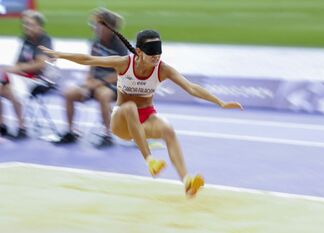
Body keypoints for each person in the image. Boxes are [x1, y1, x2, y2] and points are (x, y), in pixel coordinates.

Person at [40, 23, 243, 197]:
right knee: (129, 107)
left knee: (168, 130)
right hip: (121, 121)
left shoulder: (162, 69)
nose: (156, 57)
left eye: (159, 53)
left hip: (145, 119)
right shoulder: (123, 64)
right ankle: (150, 161)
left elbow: (191, 87)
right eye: (152, 53)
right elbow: (88, 59)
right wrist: (60, 54)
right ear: (138, 52)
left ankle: (187, 182)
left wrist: (220, 102)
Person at [56, 8, 129, 148]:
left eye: (98, 24)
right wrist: (87, 83)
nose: (94, 27)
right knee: (69, 93)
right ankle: (71, 132)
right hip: (95, 82)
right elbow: (91, 66)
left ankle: (107, 135)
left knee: (103, 96)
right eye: (94, 24)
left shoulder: (120, 45)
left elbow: (121, 72)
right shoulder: (95, 42)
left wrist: (99, 83)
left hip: (114, 84)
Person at [0, 10, 52, 139]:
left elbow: (40, 65)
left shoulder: (44, 41)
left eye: (29, 24)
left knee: (10, 89)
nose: (25, 27)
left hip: (40, 79)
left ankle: (21, 127)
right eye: (24, 24)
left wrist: (18, 69)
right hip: (23, 77)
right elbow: (18, 62)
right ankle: (3, 125)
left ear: (38, 26)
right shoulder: (26, 40)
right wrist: (15, 69)